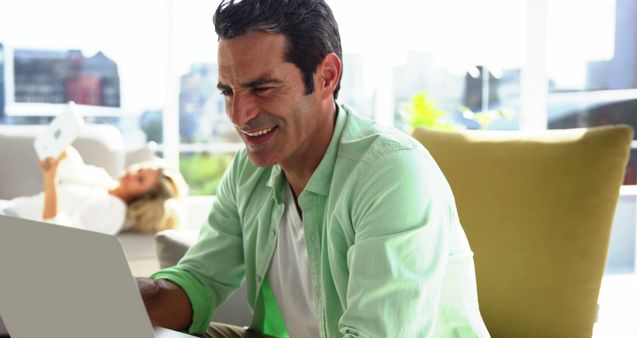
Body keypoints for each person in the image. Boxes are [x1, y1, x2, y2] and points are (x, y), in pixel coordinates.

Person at [138, 0, 491, 337]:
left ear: (326, 76)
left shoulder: (390, 174)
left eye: (262, 88)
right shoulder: (250, 170)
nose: (239, 114)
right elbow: (199, 282)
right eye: (228, 92)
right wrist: (126, 295)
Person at [0, 146, 186, 234]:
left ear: (143, 199)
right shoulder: (104, 180)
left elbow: (56, 235)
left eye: (140, 178)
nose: (132, 172)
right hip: (8, 209)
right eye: (140, 168)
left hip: (16, 226)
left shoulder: (113, 211)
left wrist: (50, 180)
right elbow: (71, 165)